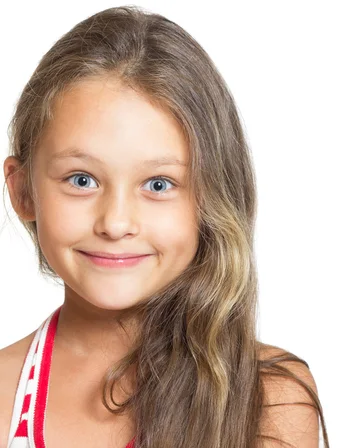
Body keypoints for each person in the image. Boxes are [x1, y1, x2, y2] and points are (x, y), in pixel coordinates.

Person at [0, 5, 329, 448]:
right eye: (82, 180)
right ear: (22, 192)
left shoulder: (267, 398)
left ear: (211, 198)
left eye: (158, 184)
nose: (116, 223)